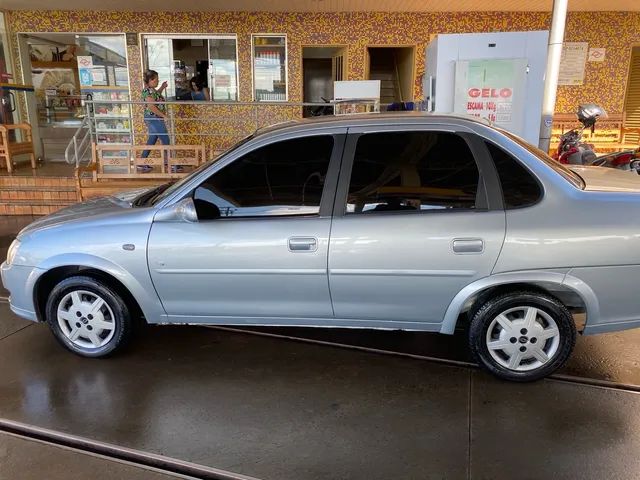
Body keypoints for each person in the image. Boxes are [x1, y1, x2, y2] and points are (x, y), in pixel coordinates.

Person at [140, 69, 174, 172]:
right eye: (156, 80)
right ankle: (170, 163)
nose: (157, 81)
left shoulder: (152, 90)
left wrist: (162, 87)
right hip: (154, 118)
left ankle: (141, 162)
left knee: (152, 140)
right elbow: (151, 106)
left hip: (153, 118)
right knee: (165, 140)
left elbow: (156, 96)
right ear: (150, 80)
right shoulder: (147, 91)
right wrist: (164, 116)